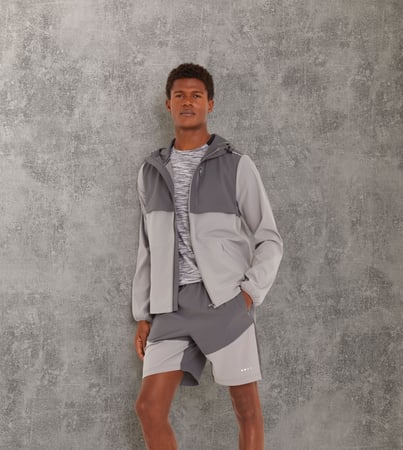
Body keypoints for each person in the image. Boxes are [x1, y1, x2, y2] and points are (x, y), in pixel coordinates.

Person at [132, 62, 283, 450]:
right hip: (170, 306)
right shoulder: (151, 171)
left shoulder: (236, 165)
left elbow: (269, 238)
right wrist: (143, 314)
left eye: (196, 95)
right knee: (149, 409)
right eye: (179, 95)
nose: (187, 102)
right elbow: (147, 247)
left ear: (209, 104)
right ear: (168, 103)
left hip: (223, 301)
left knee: (246, 410)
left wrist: (248, 294)